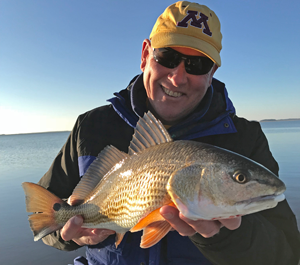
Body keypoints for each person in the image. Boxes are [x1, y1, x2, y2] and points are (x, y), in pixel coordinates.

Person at [38, 1, 300, 264]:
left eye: (197, 64)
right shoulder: (91, 126)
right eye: (167, 57)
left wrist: (225, 238)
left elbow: (287, 254)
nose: (177, 77)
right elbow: (41, 220)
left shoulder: (245, 138)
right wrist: (71, 234)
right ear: (145, 55)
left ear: (212, 73)